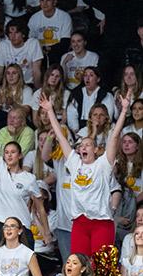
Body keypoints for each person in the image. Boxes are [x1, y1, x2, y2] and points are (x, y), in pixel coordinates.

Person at [40, 89, 130, 256]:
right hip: (80, 223)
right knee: (79, 268)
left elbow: (115, 136)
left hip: (102, 222)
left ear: (96, 149)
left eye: (88, 144)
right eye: (81, 145)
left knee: (103, 271)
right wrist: (50, 111)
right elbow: (60, 136)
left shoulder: (103, 164)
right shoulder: (74, 163)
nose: (83, 147)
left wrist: (124, 110)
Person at [0, 98, 51, 276]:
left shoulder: (29, 178)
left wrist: (46, 232)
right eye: (7, 152)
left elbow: (40, 208)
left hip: (23, 228)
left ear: (20, 155)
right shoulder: (1, 169)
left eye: (13, 152)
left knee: (27, 274)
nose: (9, 155)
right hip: (0, 225)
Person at [0, 19, 43, 89]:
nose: (13, 36)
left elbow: (36, 72)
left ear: (23, 34)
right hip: (9, 85)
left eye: (16, 33)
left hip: (27, 85)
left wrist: (37, 91)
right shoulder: (3, 45)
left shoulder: (33, 43)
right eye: (10, 33)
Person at [66, 67, 115, 134]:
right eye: (85, 75)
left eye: (91, 75)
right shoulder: (77, 93)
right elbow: (72, 113)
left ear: (98, 79)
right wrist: (77, 131)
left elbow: (107, 116)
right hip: (80, 130)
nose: (87, 78)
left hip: (100, 129)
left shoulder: (106, 95)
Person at [28, 0, 72, 65]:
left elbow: (65, 42)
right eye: (42, 0)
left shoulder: (64, 17)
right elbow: (30, 41)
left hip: (58, 53)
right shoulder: (34, 18)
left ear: (55, 2)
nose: (44, 4)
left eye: (48, 0)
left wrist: (49, 49)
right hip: (39, 53)